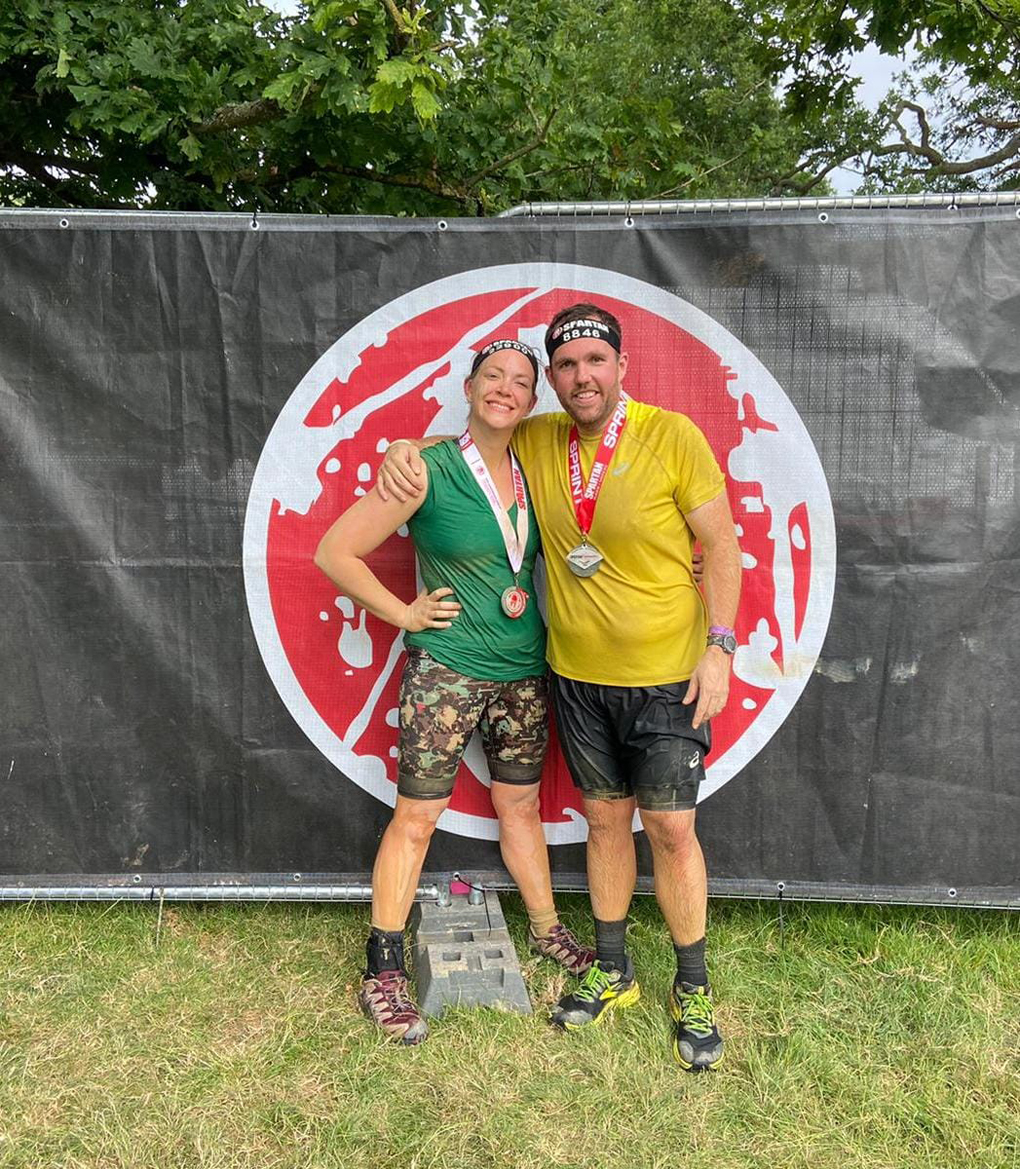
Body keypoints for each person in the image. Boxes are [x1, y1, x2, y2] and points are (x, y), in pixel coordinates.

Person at [379, 304, 741, 1070]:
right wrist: (405, 448)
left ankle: (694, 985)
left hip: (668, 678)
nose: (583, 377)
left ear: (621, 366)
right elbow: (468, 446)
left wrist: (720, 645)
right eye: (567, 365)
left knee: (672, 832)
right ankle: (612, 968)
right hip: (575, 679)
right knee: (607, 826)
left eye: (595, 362)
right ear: (554, 380)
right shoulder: (541, 439)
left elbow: (723, 546)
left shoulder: (673, 435)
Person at [314, 339, 595, 1046]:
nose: (505, 388)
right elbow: (334, 551)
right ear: (468, 386)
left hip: (523, 669)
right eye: (492, 376)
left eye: (520, 382)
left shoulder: (536, 464)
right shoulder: (426, 467)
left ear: (533, 402)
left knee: (520, 804)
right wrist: (404, 613)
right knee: (417, 816)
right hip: (447, 671)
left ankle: (547, 930)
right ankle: (383, 968)